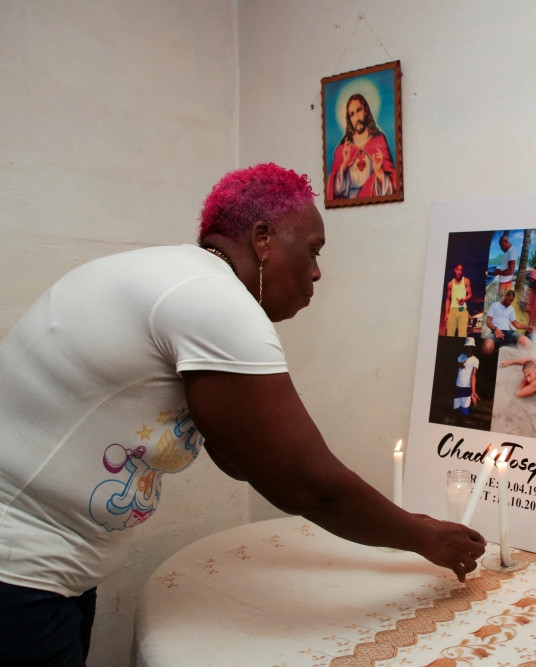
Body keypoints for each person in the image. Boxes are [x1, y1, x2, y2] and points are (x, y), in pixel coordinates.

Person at [0, 163, 485, 665]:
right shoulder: (212, 299)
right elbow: (305, 485)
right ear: (262, 239)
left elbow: (240, 457)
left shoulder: (177, 276)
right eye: (314, 250)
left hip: (44, 564)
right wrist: (423, 535)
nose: (317, 271)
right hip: (17, 564)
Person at [326, 93, 398, 200]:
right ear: (349, 119)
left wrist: (379, 173)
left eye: (359, 110)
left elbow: (392, 187)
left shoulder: (379, 141)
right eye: (352, 114)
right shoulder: (342, 148)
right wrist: (344, 165)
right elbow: (334, 192)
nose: (356, 117)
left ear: (366, 111)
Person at [482, 289, 532, 355]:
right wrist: (495, 329)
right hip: (495, 332)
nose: (510, 303)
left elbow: (515, 323)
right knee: (487, 347)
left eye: (512, 301)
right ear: (506, 296)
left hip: (508, 332)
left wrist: (528, 328)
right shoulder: (495, 305)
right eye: (510, 300)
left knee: (527, 342)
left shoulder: (511, 309)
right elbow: (488, 321)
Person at [443, 263, 473, 337]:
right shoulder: (450, 284)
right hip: (453, 310)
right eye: (458, 270)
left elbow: (470, 294)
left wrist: (464, 299)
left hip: (463, 310)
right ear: (455, 270)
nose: (459, 272)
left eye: (461, 270)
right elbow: (447, 299)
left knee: (462, 335)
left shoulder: (466, 281)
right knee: (450, 334)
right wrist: (446, 313)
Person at [453, 338, 480, 418]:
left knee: (464, 412)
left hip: (466, 388)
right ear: (465, 347)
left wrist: (473, 391)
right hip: (458, 386)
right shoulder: (461, 356)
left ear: (473, 347)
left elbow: (473, 375)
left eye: (471, 347)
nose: (469, 348)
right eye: (467, 347)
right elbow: (454, 365)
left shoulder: (475, 360)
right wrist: (459, 365)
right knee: (456, 410)